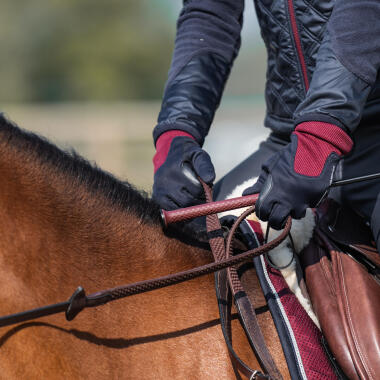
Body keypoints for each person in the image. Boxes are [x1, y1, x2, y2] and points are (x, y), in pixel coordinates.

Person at [152, 1, 380, 250]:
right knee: (182, 245)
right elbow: (209, 14)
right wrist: (175, 134)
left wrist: (317, 141)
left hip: (358, 141)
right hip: (287, 144)